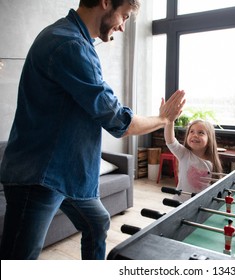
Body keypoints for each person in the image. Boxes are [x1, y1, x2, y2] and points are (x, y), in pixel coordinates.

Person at [0, 0, 186, 260]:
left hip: (66, 172)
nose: (123, 26)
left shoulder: (72, 39)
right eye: (124, 16)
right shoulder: (69, 45)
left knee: (97, 222)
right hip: (39, 175)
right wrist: (163, 119)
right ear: (105, 2)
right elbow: (119, 122)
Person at [164, 119, 222, 202]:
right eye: (191, 132)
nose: (195, 135)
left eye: (201, 133)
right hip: (180, 203)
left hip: (201, 204)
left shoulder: (211, 162)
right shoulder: (183, 154)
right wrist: (170, 119)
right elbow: (170, 140)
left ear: (209, 139)